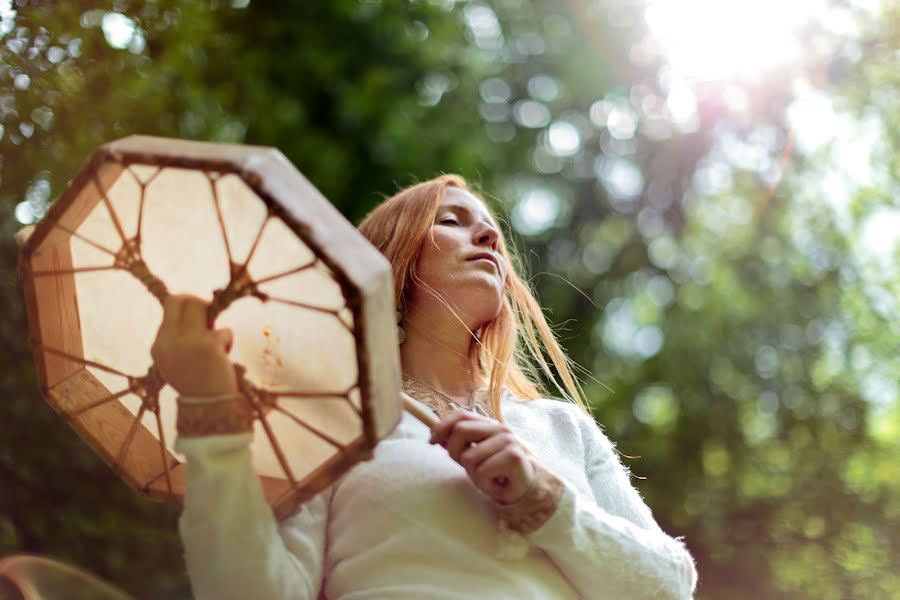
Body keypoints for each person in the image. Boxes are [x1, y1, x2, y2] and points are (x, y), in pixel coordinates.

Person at [152, 174, 698, 599]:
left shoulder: (562, 427)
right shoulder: (330, 423)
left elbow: (669, 586)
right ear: (395, 258)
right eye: (451, 221)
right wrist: (210, 414)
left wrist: (543, 501)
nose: (486, 235)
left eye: (490, 232)